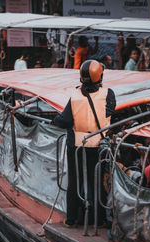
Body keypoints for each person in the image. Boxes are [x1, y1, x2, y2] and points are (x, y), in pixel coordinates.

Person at [52, 60, 116, 227]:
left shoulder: (74, 96)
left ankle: (71, 219)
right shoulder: (109, 94)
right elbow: (110, 113)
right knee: (98, 182)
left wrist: (54, 119)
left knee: (74, 182)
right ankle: (100, 218)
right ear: (100, 77)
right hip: (99, 146)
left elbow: (64, 120)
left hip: (76, 146)